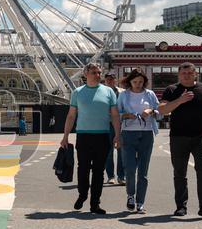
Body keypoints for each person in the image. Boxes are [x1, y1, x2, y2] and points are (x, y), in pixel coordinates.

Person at [158, 62, 202, 219]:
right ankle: (181, 206)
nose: (186, 75)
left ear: (195, 74)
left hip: (201, 137)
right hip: (178, 137)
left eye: (189, 73)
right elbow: (162, 110)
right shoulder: (172, 90)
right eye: (183, 73)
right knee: (180, 173)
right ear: (178, 75)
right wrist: (180, 100)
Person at [60, 63, 120, 214]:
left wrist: (118, 135)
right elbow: (71, 115)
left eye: (99, 72)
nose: (97, 75)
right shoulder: (78, 92)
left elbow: (114, 115)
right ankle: (82, 195)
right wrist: (65, 136)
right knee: (83, 168)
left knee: (99, 171)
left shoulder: (108, 92)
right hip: (84, 136)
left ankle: (95, 203)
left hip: (102, 136)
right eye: (94, 72)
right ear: (85, 74)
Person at [117, 69, 160, 214]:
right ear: (129, 81)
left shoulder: (150, 94)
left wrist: (151, 112)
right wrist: (126, 115)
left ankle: (140, 202)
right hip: (128, 133)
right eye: (135, 82)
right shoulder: (123, 95)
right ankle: (130, 195)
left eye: (141, 82)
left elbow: (159, 112)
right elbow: (116, 114)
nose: (138, 84)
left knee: (143, 171)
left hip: (147, 134)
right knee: (129, 168)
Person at [103, 72, 125, 185]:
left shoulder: (122, 92)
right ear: (105, 80)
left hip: (121, 124)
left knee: (122, 151)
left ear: (115, 80)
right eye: (108, 79)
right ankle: (110, 176)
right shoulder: (101, 91)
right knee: (108, 151)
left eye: (112, 79)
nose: (110, 81)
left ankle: (121, 176)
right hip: (107, 124)